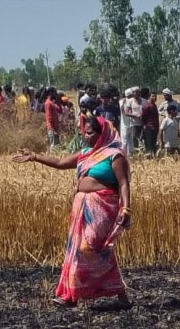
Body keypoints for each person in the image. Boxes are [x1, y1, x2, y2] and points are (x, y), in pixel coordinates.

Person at [12, 114, 131, 308]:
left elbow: (124, 183)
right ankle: (73, 296)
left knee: (89, 247)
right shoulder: (85, 153)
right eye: (84, 132)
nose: (85, 136)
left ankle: (114, 289)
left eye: (90, 133)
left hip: (103, 206)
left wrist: (126, 208)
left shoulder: (114, 155)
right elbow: (60, 163)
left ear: (102, 134)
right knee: (76, 250)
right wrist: (34, 156)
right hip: (81, 206)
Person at [121, 87, 143, 157]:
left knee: (134, 140)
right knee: (127, 140)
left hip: (137, 123)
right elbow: (125, 112)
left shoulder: (139, 101)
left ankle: (133, 154)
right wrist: (135, 115)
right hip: (127, 124)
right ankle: (127, 155)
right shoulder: (124, 102)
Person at [140, 88, 159, 157]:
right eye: (153, 96)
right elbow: (142, 117)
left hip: (155, 128)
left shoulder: (155, 105)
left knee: (153, 144)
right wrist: (145, 126)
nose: (154, 97)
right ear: (149, 97)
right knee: (149, 145)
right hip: (149, 128)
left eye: (155, 96)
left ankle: (153, 158)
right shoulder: (147, 106)